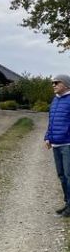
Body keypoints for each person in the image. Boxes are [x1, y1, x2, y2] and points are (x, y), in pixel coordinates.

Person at [45, 74, 70, 217]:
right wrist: (48, 137)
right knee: (61, 175)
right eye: (52, 83)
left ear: (66, 84)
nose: (53, 85)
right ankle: (68, 204)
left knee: (69, 175)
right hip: (56, 144)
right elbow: (51, 121)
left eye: (56, 82)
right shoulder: (55, 100)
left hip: (68, 144)